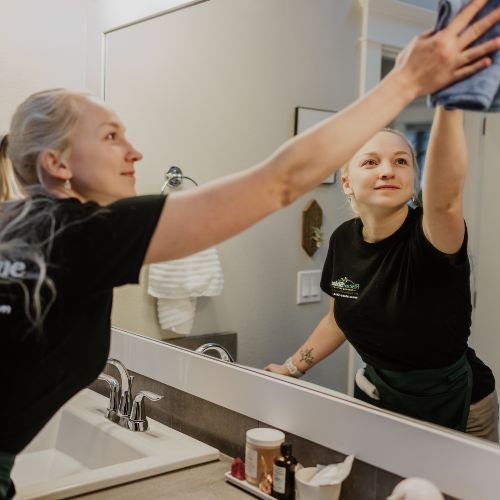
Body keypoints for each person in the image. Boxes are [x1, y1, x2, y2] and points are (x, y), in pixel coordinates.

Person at [1, 1, 499, 497]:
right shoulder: (86, 233)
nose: (135, 152)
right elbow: (279, 183)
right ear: (56, 164)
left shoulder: (13, 223)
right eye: (112, 136)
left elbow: (444, 202)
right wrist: (411, 81)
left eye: (400, 161)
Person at [265, 108, 499, 440]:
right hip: (382, 396)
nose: (388, 170)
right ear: (347, 183)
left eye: (401, 162)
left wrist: (451, 107)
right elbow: (338, 319)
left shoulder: (431, 235)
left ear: (414, 178)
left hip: (458, 404)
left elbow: (445, 201)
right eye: (371, 162)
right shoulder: (344, 239)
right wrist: (292, 368)